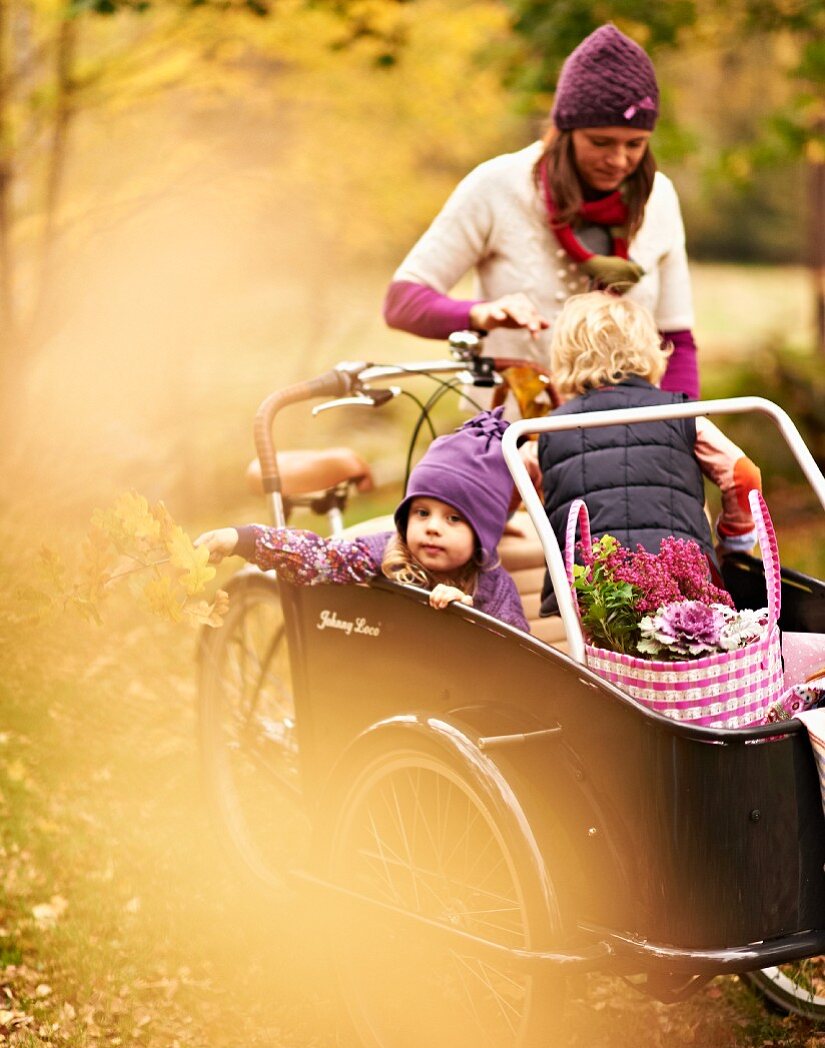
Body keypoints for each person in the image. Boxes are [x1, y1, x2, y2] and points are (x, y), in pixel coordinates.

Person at [383, 23, 700, 400]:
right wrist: (480, 314)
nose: (618, 160)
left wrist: (682, 427)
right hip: (515, 436)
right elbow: (402, 303)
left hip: (626, 436)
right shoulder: (498, 185)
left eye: (636, 144)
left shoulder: (659, 197)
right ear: (565, 131)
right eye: (601, 142)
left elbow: (676, 339)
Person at [195, 408, 530, 632]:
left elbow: (518, 659)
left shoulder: (494, 586)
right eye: (422, 512)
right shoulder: (388, 553)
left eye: (454, 518)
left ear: (482, 534)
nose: (432, 526)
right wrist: (243, 539)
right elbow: (319, 557)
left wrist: (471, 615)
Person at [537, 291, 761, 612]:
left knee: (601, 652)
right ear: (649, 349)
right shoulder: (679, 413)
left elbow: (524, 481)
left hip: (595, 593)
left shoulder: (550, 429)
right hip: (681, 578)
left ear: (566, 355)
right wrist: (733, 545)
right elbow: (742, 473)